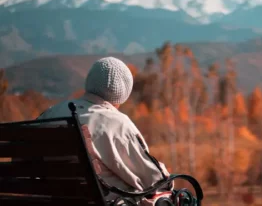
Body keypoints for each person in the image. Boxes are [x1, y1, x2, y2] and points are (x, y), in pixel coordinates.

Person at [37, 57, 173, 205]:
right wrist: (166, 175)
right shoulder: (117, 124)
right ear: (123, 92)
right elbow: (154, 181)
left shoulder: (50, 114)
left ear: (90, 80)